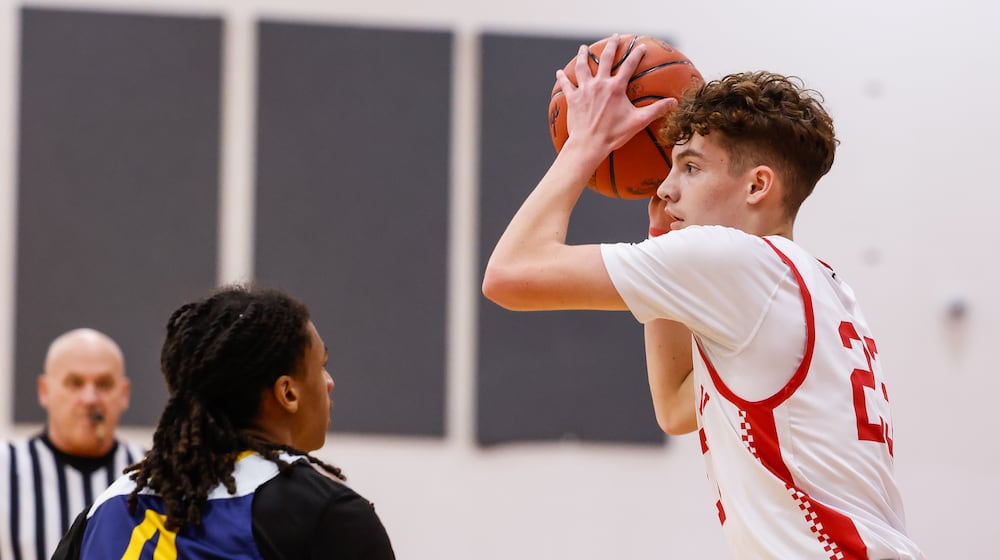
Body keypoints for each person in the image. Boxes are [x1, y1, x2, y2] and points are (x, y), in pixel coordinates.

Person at [482, 35, 924, 559]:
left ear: (758, 186)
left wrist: (586, 143)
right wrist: (660, 239)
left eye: (690, 167)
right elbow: (674, 406)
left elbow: (510, 274)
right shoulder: (817, 285)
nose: (665, 188)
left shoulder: (738, 262)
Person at [52, 284, 395, 559]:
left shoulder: (106, 510)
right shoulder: (325, 514)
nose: (329, 382)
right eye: (321, 365)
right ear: (287, 393)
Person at [0, 328, 144, 560]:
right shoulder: (5, 469)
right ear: (44, 391)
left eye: (104, 384)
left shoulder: (151, 474)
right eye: (74, 383)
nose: (90, 399)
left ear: (124, 394)